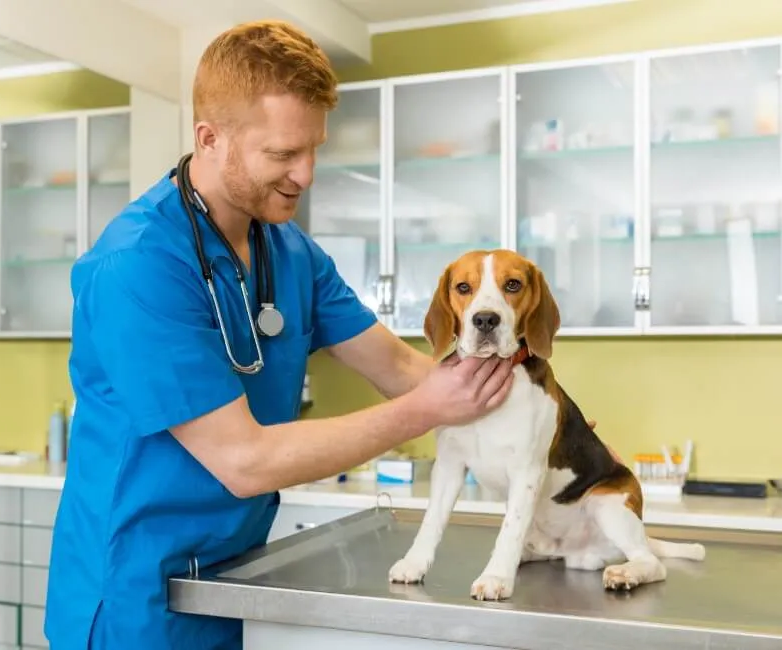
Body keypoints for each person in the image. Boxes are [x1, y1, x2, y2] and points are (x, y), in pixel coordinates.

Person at [43, 19, 516, 650]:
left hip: (231, 580)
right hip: (135, 595)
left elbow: (401, 369)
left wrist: (540, 420)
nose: (307, 174)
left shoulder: (288, 250)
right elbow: (244, 461)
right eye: (283, 154)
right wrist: (425, 412)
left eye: (313, 149)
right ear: (210, 139)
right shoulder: (138, 266)